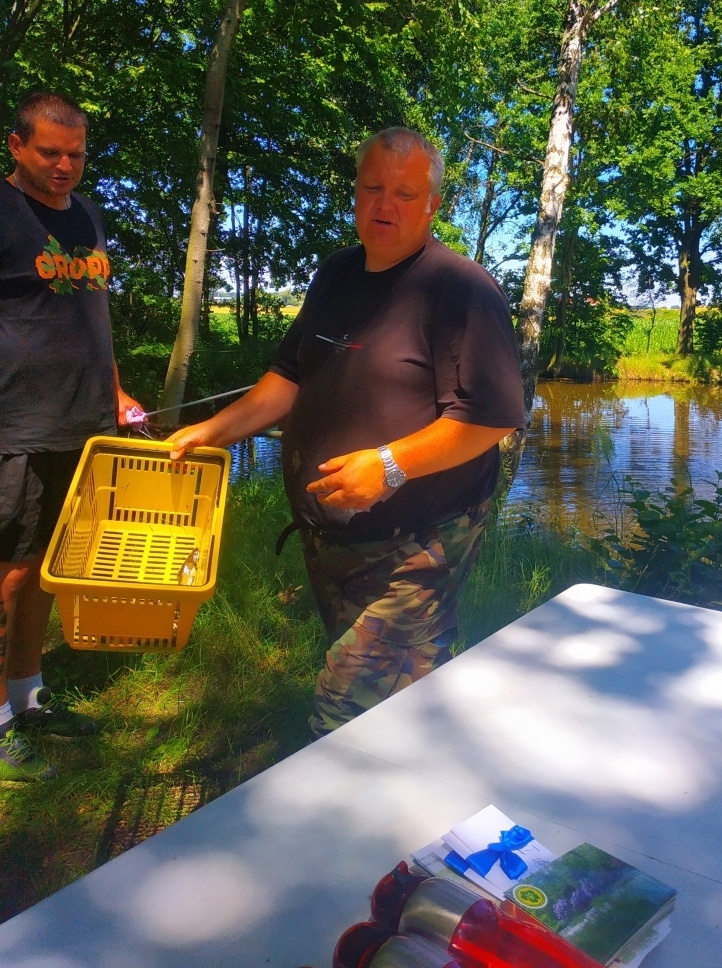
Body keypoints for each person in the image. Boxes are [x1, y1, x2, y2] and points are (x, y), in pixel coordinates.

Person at [171, 127, 525, 738]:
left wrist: (387, 466)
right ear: (356, 192)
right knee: (398, 702)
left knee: (347, 714)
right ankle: (419, 810)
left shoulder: (459, 288)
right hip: (334, 538)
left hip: (416, 543)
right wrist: (211, 431)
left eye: (405, 194)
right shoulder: (338, 273)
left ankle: (350, 820)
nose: (385, 205)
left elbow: (489, 419)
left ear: (433, 205)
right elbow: (288, 378)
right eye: (373, 188)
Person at [0, 91, 142, 781]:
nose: (64, 166)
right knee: (8, 574)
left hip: (83, 423)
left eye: (76, 154)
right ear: (16, 146)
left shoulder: (87, 216)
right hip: (16, 426)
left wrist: (114, 390)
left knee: (47, 575)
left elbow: (92, 315)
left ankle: (27, 698)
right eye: (50, 152)